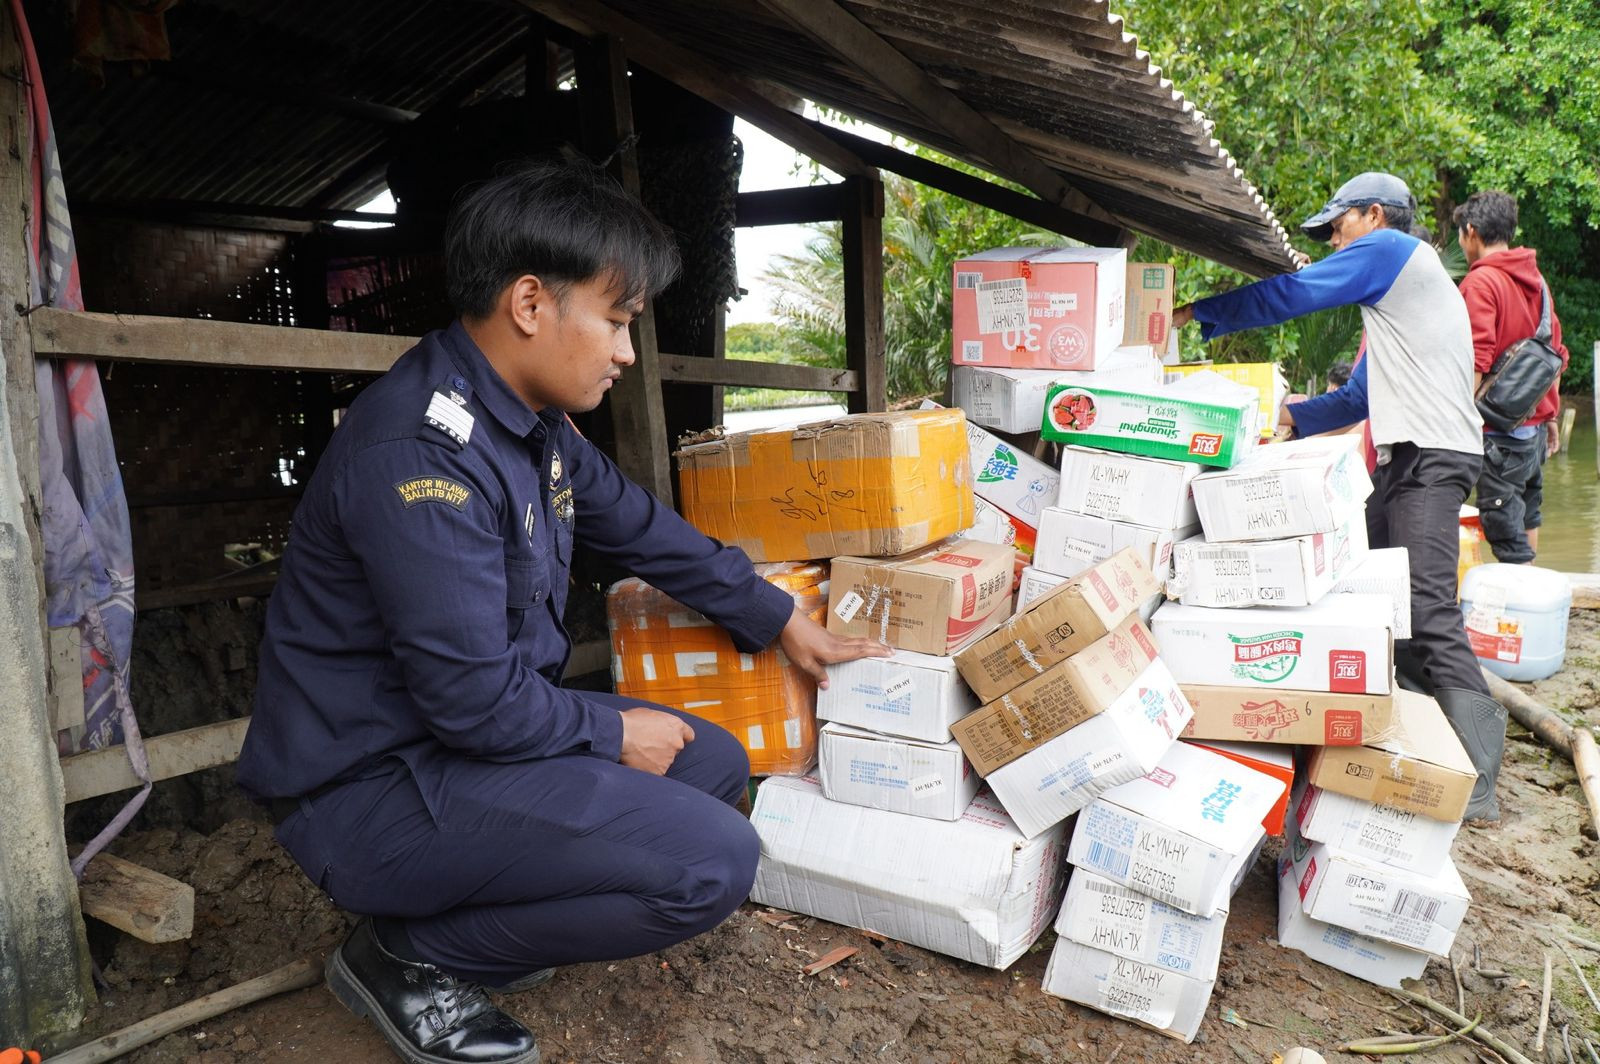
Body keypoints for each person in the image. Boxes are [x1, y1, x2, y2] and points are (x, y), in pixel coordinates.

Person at [235, 159, 891, 1064]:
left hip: (455, 750)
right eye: (616, 320)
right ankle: (406, 953)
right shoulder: (421, 455)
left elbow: (639, 527)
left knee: (713, 765)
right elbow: (473, 702)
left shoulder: (527, 420)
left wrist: (779, 616)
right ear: (532, 304)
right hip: (372, 789)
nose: (627, 351)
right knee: (713, 863)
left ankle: (476, 911)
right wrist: (610, 734)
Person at [1172, 171, 1508, 823]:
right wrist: (1293, 417)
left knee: (1429, 605)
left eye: (1337, 227)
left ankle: (1482, 780)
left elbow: (1296, 293)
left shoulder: (1389, 253)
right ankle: (1413, 732)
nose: (1332, 242)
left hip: (1434, 454)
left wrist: (1198, 314)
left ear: (1374, 215)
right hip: (1405, 452)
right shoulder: (1398, 298)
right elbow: (1358, 398)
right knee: (1379, 595)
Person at [1453, 189, 1570, 564]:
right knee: (1528, 515)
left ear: (1471, 231)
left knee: (1505, 533)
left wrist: (1459, 424)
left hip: (1499, 435)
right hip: (1533, 433)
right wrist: (1549, 417)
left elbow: (1478, 358)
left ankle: (1525, 612)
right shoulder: (1538, 282)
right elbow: (1555, 356)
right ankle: (1532, 605)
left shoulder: (1481, 283)